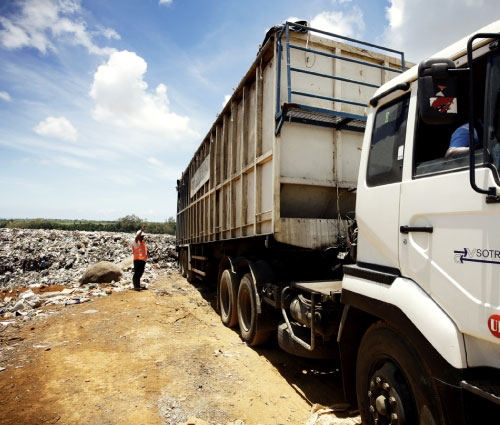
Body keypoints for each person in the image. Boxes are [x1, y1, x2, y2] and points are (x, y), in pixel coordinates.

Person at [131, 225, 148, 291]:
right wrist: (141, 231)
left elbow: (144, 250)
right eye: (142, 236)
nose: (143, 237)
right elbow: (137, 237)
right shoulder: (135, 242)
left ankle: (137, 285)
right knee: (137, 273)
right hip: (137, 260)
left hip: (142, 260)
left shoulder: (142, 242)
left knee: (140, 272)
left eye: (143, 236)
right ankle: (136, 286)